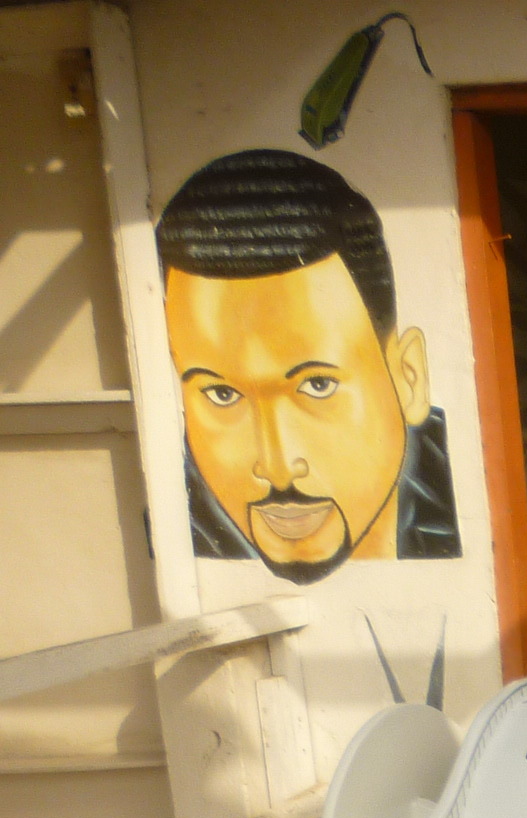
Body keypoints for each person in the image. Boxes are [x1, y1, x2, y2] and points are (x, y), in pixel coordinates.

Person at [156, 148, 461, 581]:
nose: (279, 467)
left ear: (408, 378)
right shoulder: (163, 526)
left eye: (317, 385)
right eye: (222, 394)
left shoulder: (483, 500)